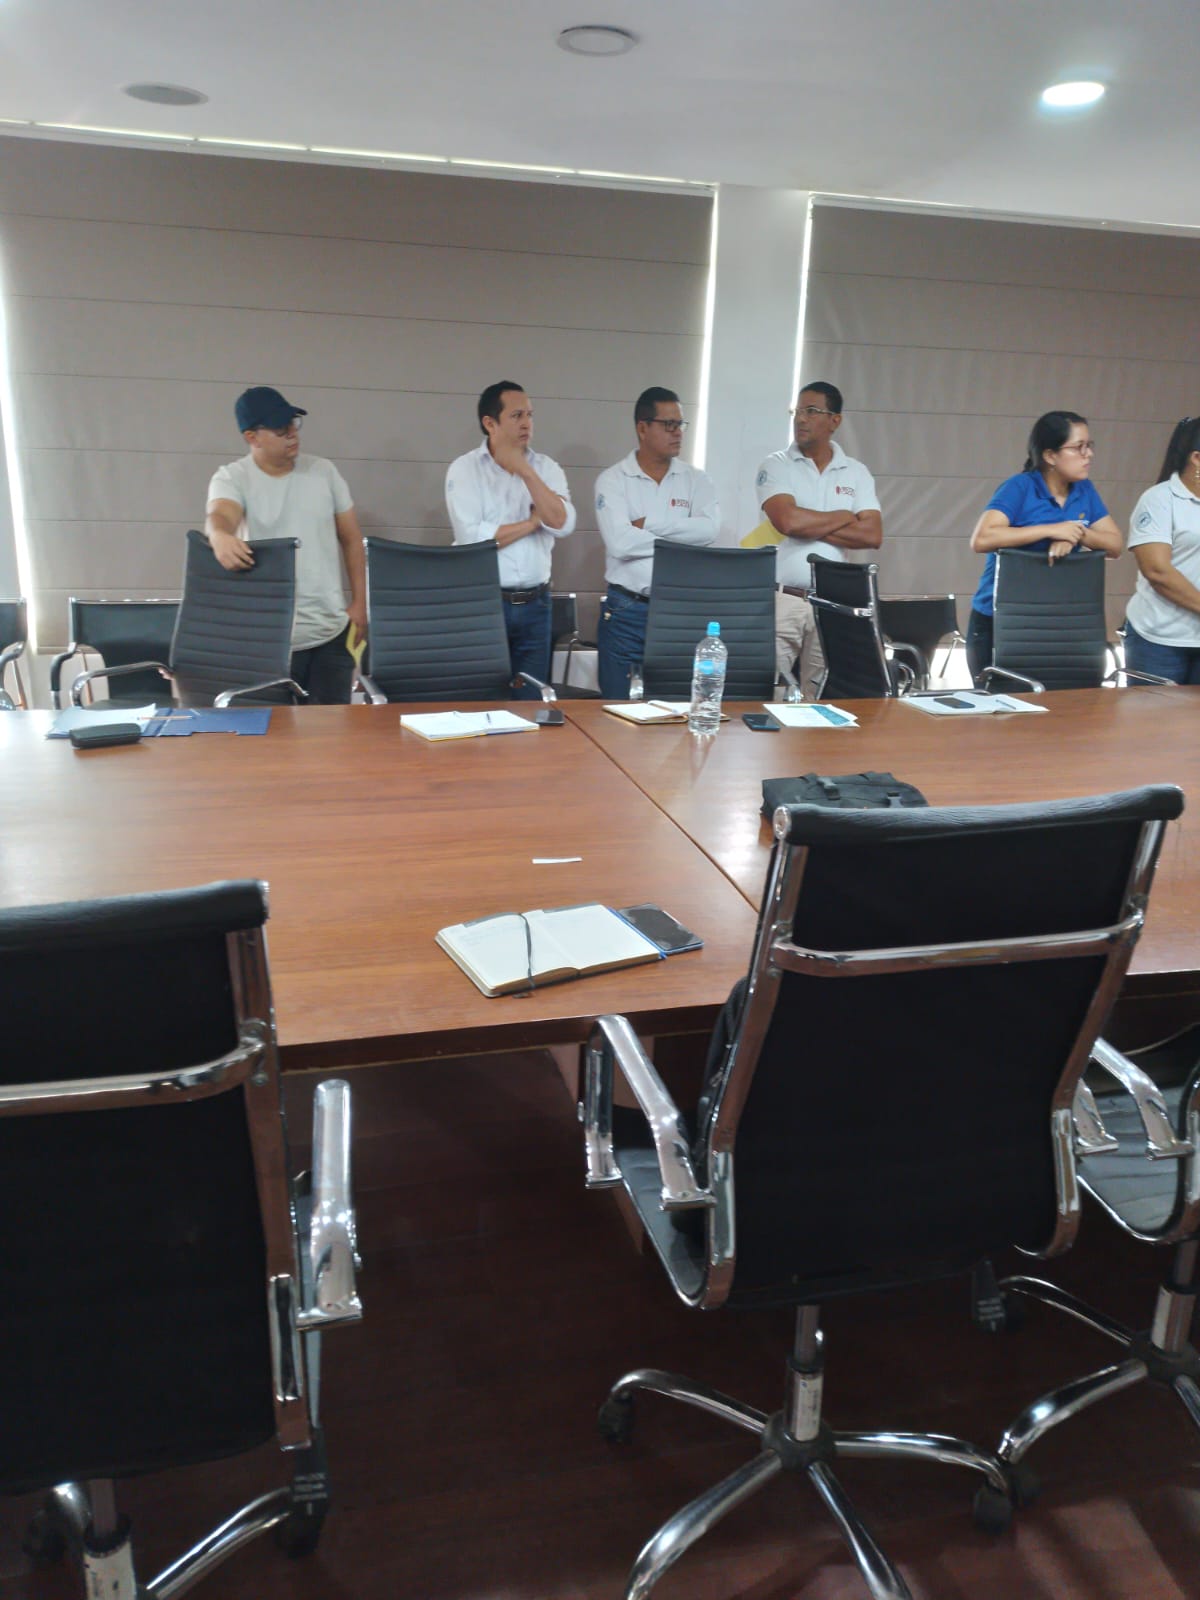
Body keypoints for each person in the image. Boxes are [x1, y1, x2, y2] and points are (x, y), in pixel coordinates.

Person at [205, 386, 367, 705]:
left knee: (332, 731)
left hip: (330, 633)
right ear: (252, 437)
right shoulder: (232, 478)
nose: (292, 435)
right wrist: (219, 535)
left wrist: (360, 604)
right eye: (281, 430)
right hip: (268, 641)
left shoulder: (323, 472)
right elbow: (220, 515)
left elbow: (351, 539)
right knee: (271, 733)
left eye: (293, 425)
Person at [966, 410, 1122, 686]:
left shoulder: (1084, 490)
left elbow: (1115, 544)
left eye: (1089, 445)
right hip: (999, 621)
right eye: (1078, 447)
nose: (1088, 454)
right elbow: (982, 539)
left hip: (1056, 620)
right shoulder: (1020, 487)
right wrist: (1052, 530)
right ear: (1050, 456)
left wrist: (1076, 533)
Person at [445, 381, 576, 696]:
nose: (527, 423)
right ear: (490, 423)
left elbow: (562, 522)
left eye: (530, 415)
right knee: (482, 702)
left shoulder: (546, 468)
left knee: (530, 702)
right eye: (517, 415)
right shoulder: (465, 469)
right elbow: (473, 540)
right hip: (486, 603)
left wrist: (526, 472)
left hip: (537, 605)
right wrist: (532, 523)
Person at [755, 381, 883, 699]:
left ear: (834, 420)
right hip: (783, 598)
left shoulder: (856, 472)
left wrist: (807, 523)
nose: (801, 418)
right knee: (764, 692)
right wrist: (844, 515)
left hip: (830, 604)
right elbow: (787, 521)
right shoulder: (776, 465)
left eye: (812, 411)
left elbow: (872, 534)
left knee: (818, 699)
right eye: (798, 411)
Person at [594, 387, 720, 699]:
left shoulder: (697, 480)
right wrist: (681, 536)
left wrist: (647, 524)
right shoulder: (613, 480)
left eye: (681, 424)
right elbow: (620, 543)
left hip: (679, 610)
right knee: (619, 707)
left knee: (674, 709)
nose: (678, 432)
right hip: (627, 610)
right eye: (669, 425)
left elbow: (708, 530)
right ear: (642, 428)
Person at [1123, 415, 1200, 685]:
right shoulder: (1159, 499)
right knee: (1156, 712)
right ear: (1197, 458)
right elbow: (1158, 571)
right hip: (1158, 639)